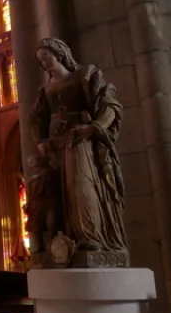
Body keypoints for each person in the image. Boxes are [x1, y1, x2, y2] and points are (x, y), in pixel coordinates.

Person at [29, 38, 128, 254]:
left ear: (60, 53)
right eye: (40, 61)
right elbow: (38, 119)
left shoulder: (84, 75)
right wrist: (41, 142)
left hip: (79, 140)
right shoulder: (44, 89)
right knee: (54, 192)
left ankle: (90, 237)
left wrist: (94, 128)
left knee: (81, 185)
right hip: (55, 147)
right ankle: (61, 243)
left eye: (47, 56)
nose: (45, 62)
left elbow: (109, 104)